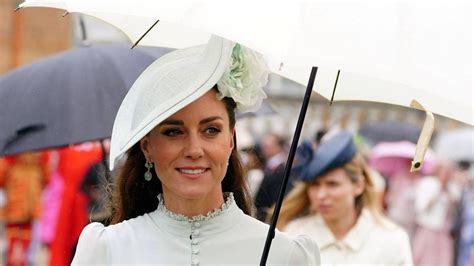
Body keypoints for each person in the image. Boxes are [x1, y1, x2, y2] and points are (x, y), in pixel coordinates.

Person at [71, 36, 319, 265]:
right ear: (147, 146)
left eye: (210, 130)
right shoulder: (107, 250)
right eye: (173, 132)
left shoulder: (284, 255)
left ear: (230, 140)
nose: (194, 149)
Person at [276, 131, 413, 265]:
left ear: (358, 185)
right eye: (315, 185)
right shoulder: (295, 235)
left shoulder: (392, 241)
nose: (321, 195)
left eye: (332, 184)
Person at [412, 161, 461, 266]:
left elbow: (455, 209)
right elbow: (420, 207)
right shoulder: (427, 184)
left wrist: (447, 193)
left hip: (443, 232)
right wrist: (437, 193)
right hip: (428, 229)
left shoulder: (452, 188)